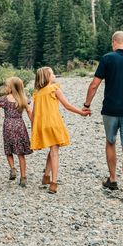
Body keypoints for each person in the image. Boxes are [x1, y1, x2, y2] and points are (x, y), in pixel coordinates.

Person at [83, 30, 123, 203]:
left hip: (110, 110)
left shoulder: (107, 59)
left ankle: (112, 180)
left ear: (114, 42)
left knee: (110, 142)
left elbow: (94, 85)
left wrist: (87, 105)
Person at [31, 66, 89, 194]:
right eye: (52, 73)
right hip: (54, 124)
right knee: (55, 153)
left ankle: (46, 176)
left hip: (42, 125)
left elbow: (34, 114)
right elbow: (67, 105)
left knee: (53, 149)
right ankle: (53, 183)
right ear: (47, 77)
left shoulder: (37, 93)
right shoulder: (54, 89)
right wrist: (81, 112)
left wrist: (34, 129)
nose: (54, 75)